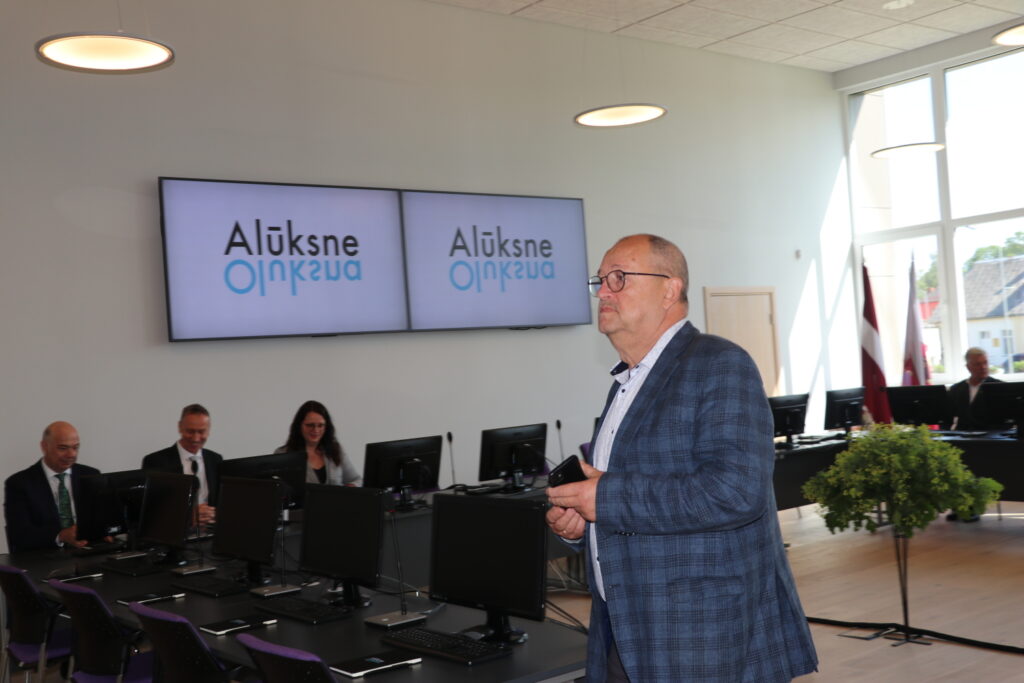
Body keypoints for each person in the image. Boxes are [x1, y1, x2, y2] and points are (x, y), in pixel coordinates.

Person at [547, 234, 817, 682]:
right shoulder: (625, 384)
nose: (603, 292)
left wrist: (605, 499)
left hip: (700, 634)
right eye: (600, 280)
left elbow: (734, 492)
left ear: (669, 289)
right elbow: (631, 497)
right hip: (625, 626)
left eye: (619, 278)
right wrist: (582, 520)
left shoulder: (720, 364)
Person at [4, 421, 100, 552]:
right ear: (44, 446)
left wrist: (106, 532)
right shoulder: (19, 484)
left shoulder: (91, 475)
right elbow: (19, 535)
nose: (71, 454)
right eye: (63, 448)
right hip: (45, 557)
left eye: (75, 447)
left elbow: (102, 519)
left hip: (90, 551)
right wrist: (61, 536)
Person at [142, 404, 222, 524]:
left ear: (209, 430)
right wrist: (189, 516)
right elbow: (152, 509)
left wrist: (214, 514)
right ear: (180, 427)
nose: (196, 438)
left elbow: (223, 502)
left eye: (201, 432)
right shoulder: (156, 461)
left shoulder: (215, 459)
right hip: (174, 531)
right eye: (190, 431)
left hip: (210, 530)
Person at [277, 400, 361, 486]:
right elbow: (276, 488)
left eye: (320, 425)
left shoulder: (336, 450)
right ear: (299, 425)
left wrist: (351, 487)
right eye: (310, 425)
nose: (316, 430)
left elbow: (357, 480)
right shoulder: (284, 454)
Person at [948, 347, 1002, 431]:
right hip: (962, 435)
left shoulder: (1000, 387)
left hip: (992, 435)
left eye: (985, 363)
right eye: (978, 364)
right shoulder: (956, 389)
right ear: (968, 367)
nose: (983, 367)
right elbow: (947, 417)